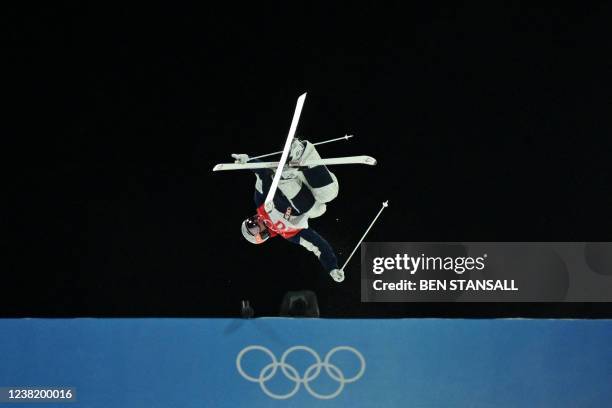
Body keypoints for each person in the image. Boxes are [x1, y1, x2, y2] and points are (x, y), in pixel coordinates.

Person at [233, 139, 344, 282]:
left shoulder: (260, 202)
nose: (255, 221)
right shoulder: (289, 234)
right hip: (309, 195)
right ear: (262, 236)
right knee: (329, 195)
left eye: (250, 222)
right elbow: (318, 245)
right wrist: (332, 268)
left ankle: (287, 178)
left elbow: (262, 174)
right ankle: (303, 153)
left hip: (291, 180)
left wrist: (248, 161)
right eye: (253, 228)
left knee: (299, 207)